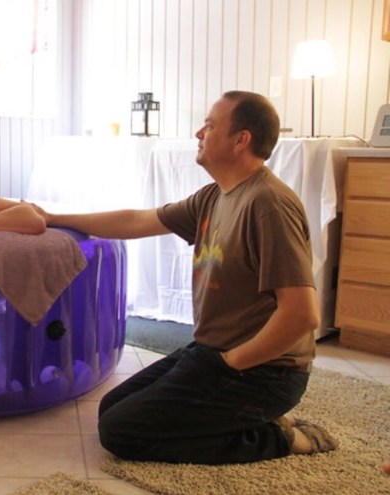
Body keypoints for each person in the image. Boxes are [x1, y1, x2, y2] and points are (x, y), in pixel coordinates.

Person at [31, 91, 337, 464]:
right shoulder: (213, 197)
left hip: (264, 373)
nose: (199, 133)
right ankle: (242, 418)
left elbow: (302, 314)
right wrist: (53, 217)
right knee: (112, 407)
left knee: (121, 432)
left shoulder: (269, 205)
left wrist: (233, 362)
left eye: (210, 125)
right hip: (212, 352)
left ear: (241, 140)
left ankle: (280, 438)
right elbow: (137, 220)